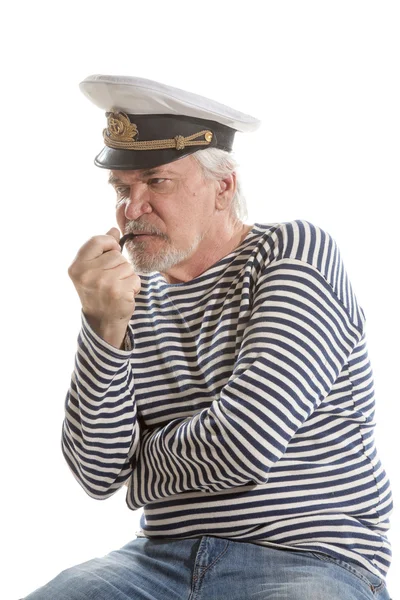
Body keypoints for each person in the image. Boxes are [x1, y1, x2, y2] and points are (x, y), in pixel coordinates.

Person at [24, 75, 393, 599]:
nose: (132, 209)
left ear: (224, 187)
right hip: (158, 562)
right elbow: (96, 472)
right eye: (123, 189)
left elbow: (245, 443)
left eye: (157, 181)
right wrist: (103, 327)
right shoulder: (129, 298)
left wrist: (140, 469)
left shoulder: (293, 252)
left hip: (308, 558)